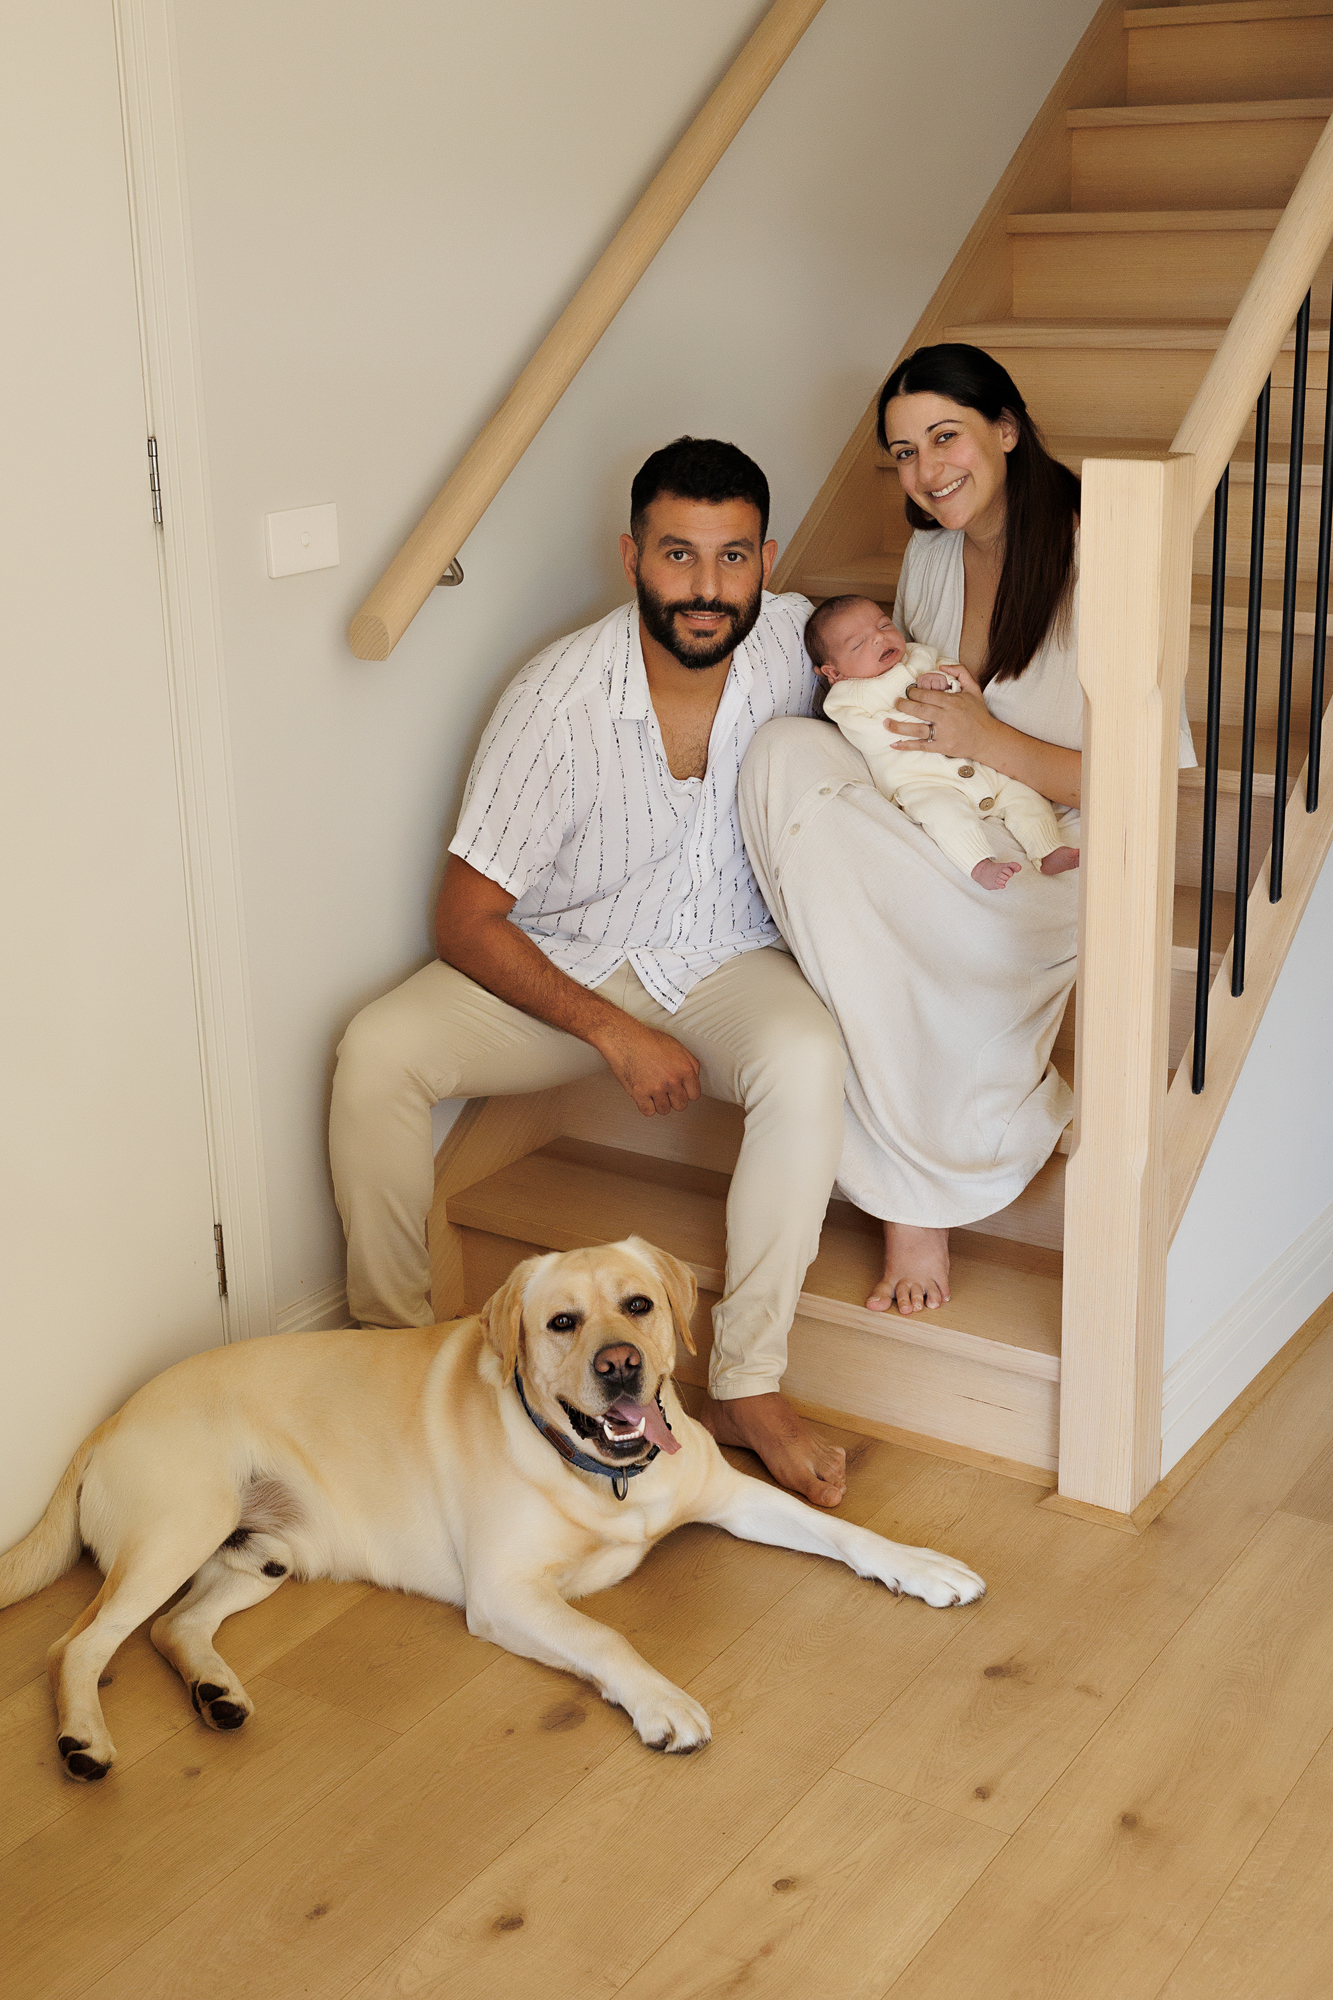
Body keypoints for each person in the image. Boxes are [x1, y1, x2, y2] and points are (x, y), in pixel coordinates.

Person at [329, 437, 852, 1507]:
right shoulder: (555, 700)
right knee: (374, 1051)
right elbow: (465, 919)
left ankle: (749, 1381)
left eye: (733, 557)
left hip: (719, 960)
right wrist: (611, 1031)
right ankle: (391, 1353)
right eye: (677, 555)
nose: (706, 588)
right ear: (629, 555)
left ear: (767, 558)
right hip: (563, 970)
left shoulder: (798, 645)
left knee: (806, 1054)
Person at [739, 343, 1195, 1317]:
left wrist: (992, 739)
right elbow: (897, 713)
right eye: (901, 451)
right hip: (947, 825)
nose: (925, 469)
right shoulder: (929, 555)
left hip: (1057, 850)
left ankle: (914, 1199)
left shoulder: (1101, 551)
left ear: (1005, 426)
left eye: (943, 436)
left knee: (885, 927)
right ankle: (901, 975)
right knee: (780, 753)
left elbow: (1149, 782)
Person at [807, 594, 1079, 891]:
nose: (878, 639)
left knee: (1022, 793)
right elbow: (867, 732)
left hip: (979, 762)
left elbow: (956, 676)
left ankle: (1048, 848)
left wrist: (942, 682)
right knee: (943, 814)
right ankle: (979, 863)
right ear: (834, 673)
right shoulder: (846, 698)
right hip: (923, 781)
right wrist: (922, 722)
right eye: (858, 643)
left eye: (884, 625)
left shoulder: (919, 655)